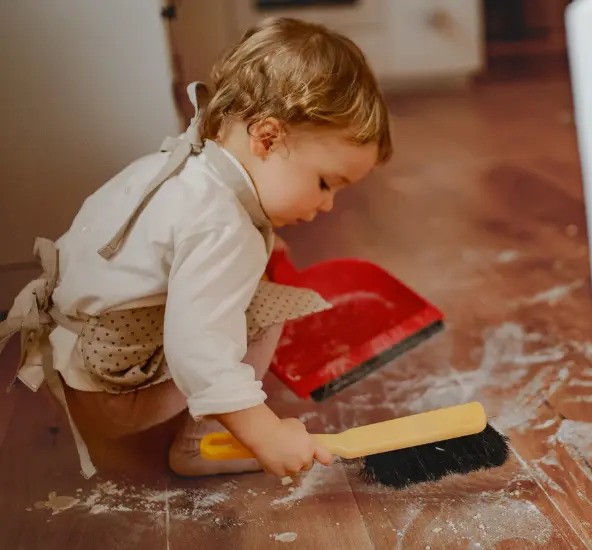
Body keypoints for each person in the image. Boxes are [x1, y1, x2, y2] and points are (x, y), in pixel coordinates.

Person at [0, 16, 392, 480]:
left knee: (237, 284)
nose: (328, 204)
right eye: (326, 182)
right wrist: (265, 434)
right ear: (266, 138)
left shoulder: (183, 162)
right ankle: (198, 445)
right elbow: (200, 352)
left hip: (68, 364)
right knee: (265, 309)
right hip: (113, 397)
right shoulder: (227, 229)